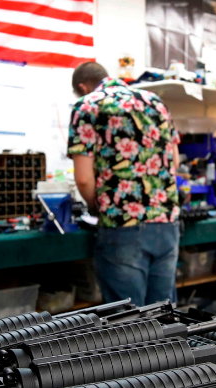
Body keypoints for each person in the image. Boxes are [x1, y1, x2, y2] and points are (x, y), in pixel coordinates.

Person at [67, 62, 181, 306]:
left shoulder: (87, 105)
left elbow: (84, 178)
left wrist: (96, 207)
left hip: (122, 224)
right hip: (166, 223)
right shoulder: (154, 101)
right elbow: (175, 160)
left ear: (82, 86)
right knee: (166, 319)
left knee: (129, 327)